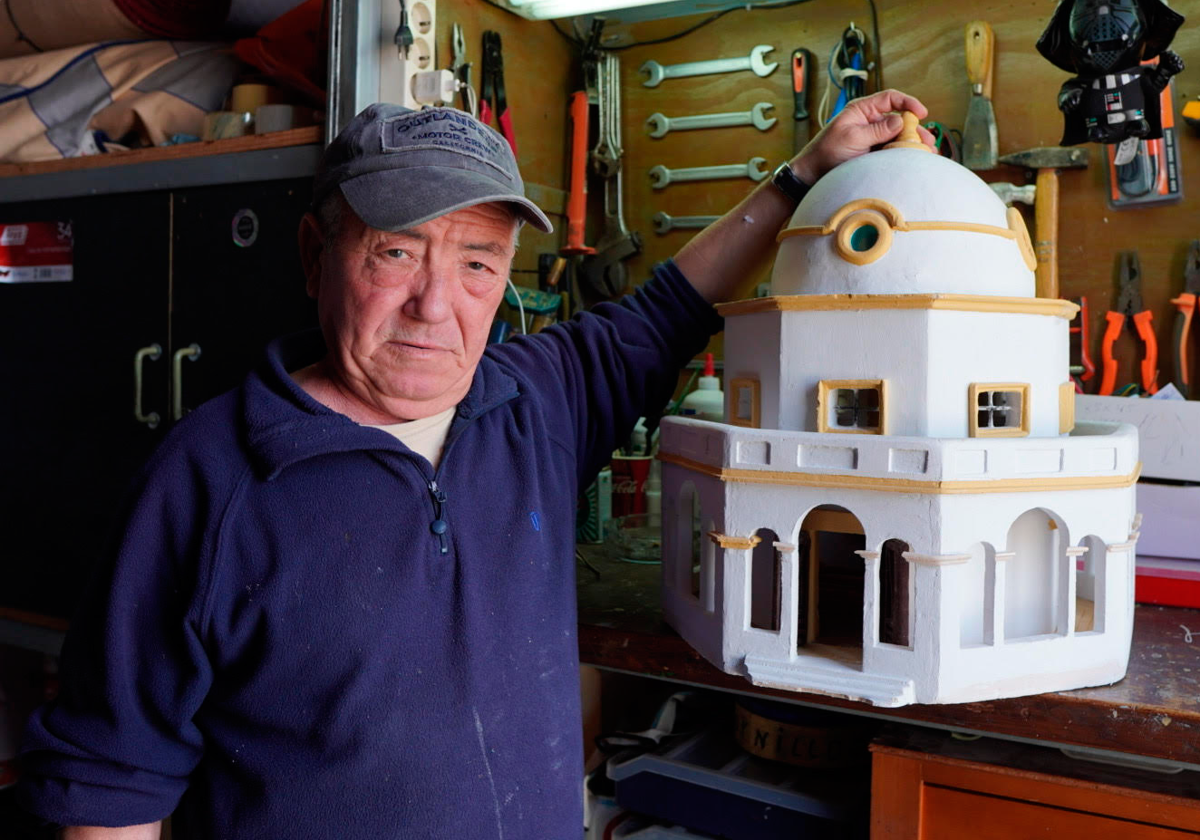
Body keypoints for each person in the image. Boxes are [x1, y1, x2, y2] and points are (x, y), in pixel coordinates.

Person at [15, 90, 931, 839]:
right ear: (312, 256)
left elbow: (666, 311)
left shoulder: (535, 400)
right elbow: (109, 790)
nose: (433, 306)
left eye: (479, 266)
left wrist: (803, 173)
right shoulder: (209, 480)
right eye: (394, 252)